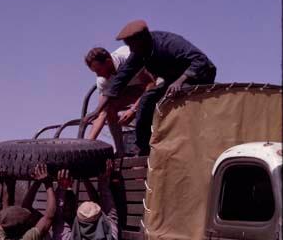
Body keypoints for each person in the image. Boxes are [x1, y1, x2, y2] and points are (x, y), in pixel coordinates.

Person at [85, 20, 217, 155]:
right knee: (146, 101)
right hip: (172, 81)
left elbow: (201, 61)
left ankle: (183, 146)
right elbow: (120, 79)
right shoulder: (139, 52)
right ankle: (144, 148)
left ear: (142, 39)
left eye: (131, 45)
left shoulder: (169, 43)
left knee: (173, 98)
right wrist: (97, 110)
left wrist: (181, 80)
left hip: (198, 76)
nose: (130, 50)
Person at [84, 46, 155, 155]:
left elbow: (151, 85)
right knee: (109, 107)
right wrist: (87, 145)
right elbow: (102, 113)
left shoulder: (129, 59)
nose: (98, 75)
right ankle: (120, 151)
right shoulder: (102, 80)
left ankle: (148, 144)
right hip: (132, 88)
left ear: (108, 62)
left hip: (155, 81)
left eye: (98, 70)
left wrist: (133, 109)